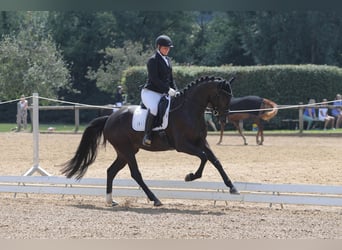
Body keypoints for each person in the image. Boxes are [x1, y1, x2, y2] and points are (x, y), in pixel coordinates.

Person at [141, 35, 178, 146]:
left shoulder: (168, 60)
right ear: (158, 47)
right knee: (153, 108)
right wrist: (167, 89)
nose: (167, 50)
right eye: (165, 48)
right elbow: (155, 79)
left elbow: (171, 79)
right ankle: (147, 135)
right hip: (150, 92)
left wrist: (176, 90)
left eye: (168, 48)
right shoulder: (152, 60)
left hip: (163, 93)